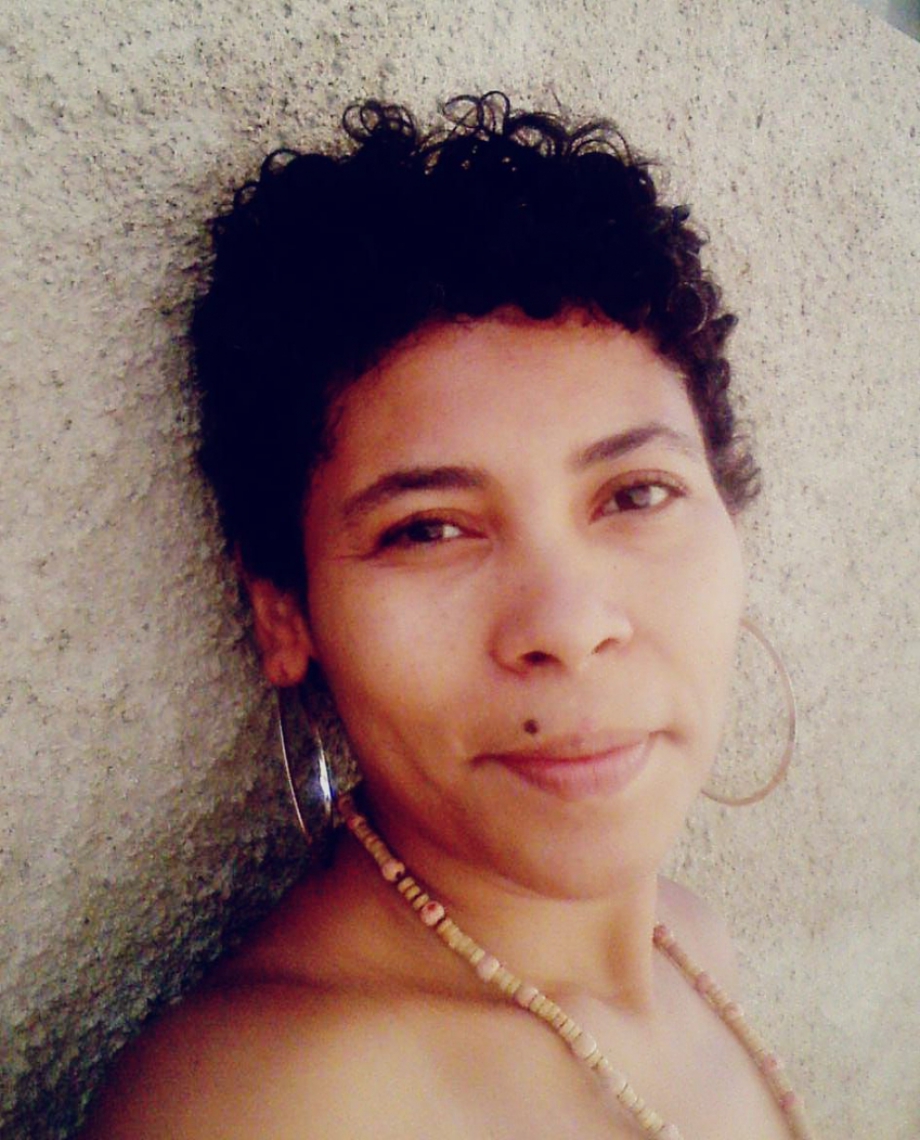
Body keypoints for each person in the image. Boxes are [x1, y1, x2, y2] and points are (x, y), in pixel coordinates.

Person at [82, 93, 814, 1139]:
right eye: (427, 530)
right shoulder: (269, 1103)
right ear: (284, 613)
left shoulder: (691, 946)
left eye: (635, 494)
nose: (567, 625)